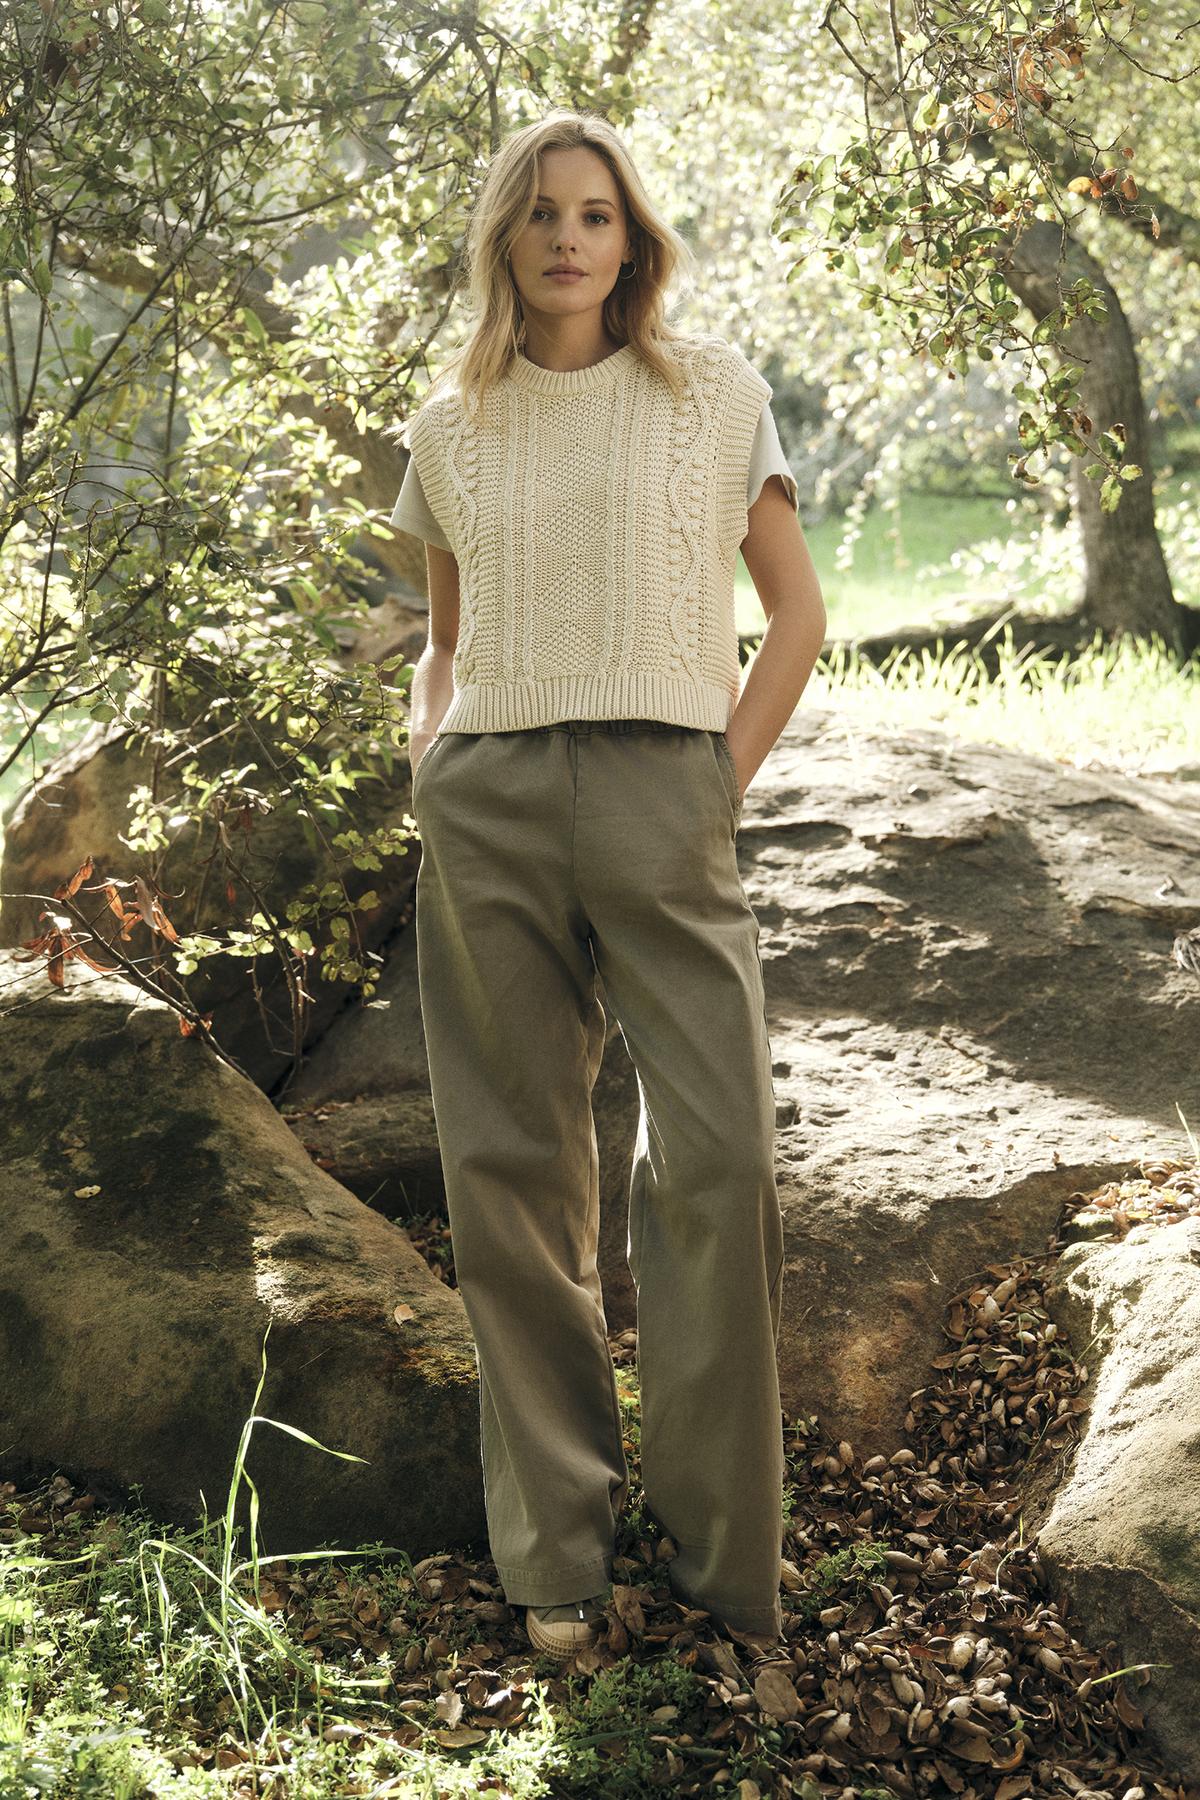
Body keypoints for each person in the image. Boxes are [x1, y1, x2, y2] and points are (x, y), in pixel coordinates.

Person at [389, 108, 827, 1662]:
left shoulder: (712, 394)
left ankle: (729, 1572)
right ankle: (556, 1558)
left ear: (633, 239)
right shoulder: (450, 426)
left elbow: (795, 617)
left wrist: (715, 782)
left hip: (664, 786)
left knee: (716, 1168)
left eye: (598, 214)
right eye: (542, 214)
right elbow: (443, 636)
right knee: (511, 1178)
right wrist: (430, 766)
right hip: (489, 801)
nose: (571, 237)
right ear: (505, 240)